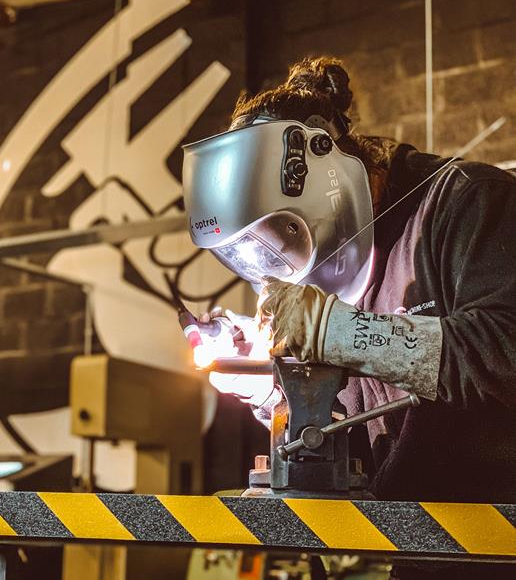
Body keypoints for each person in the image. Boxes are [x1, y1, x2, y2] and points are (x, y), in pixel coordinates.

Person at [183, 57, 516, 579]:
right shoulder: (321, 268)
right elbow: (346, 436)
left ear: (324, 174)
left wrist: (340, 333)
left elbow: (506, 352)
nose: (278, 266)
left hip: (499, 545)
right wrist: (273, 387)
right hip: (416, 555)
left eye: (281, 236)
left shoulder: (467, 204)